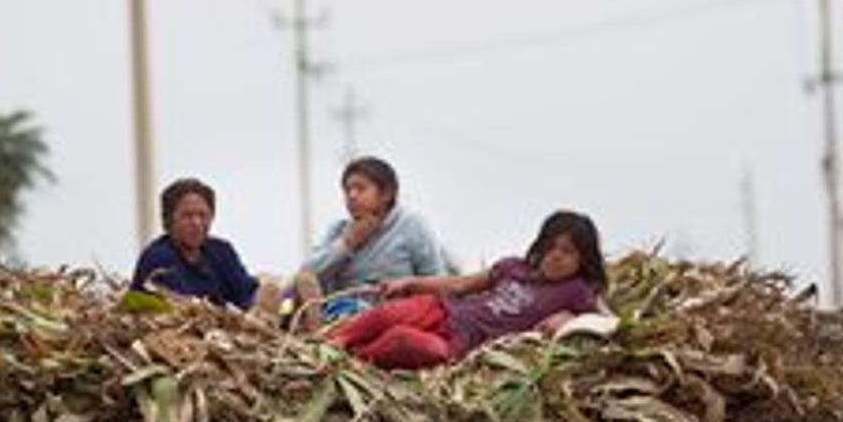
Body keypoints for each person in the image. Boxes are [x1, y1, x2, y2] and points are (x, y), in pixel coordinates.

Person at [330, 210, 609, 370]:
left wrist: (572, 320)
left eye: (567, 252)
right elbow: (460, 284)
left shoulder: (577, 290)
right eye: (551, 247)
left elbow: (608, 323)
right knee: (390, 314)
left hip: (465, 344)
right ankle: (337, 342)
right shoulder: (513, 266)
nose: (556, 256)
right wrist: (410, 283)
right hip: (446, 310)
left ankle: (357, 359)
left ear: (583, 258)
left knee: (407, 341)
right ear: (541, 245)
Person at [298, 156, 450, 319]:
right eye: (347, 190)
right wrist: (347, 245)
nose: (352, 196)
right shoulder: (338, 230)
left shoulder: (412, 226)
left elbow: (437, 282)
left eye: (360, 188)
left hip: (398, 318)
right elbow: (305, 275)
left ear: (386, 193)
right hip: (339, 317)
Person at [131, 178, 266, 310]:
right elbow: (184, 307)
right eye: (187, 216)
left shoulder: (222, 251)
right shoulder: (158, 257)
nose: (196, 223)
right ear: (169, 219)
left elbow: (246, 294)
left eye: (203, 215)